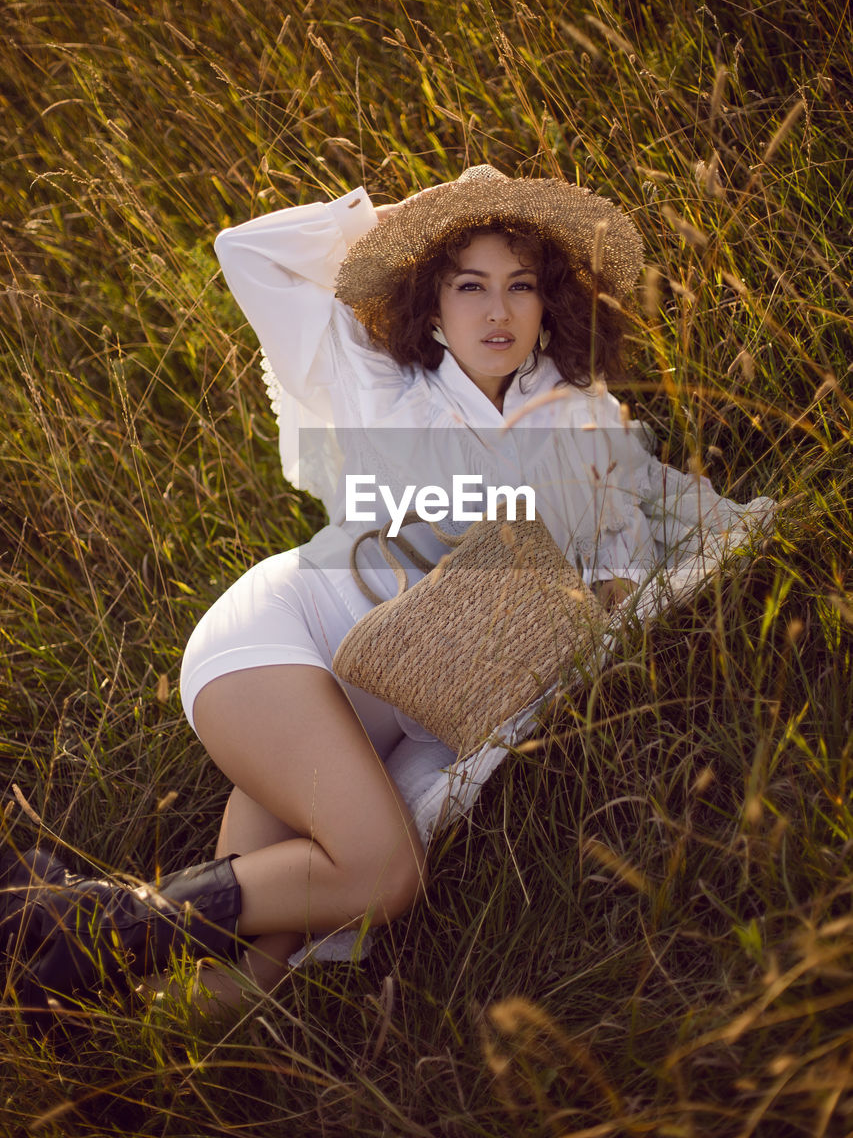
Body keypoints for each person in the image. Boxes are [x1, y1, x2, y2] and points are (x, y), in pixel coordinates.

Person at [0, 165, 772, 1021]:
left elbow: (617, 573)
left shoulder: (578, 418)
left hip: (361, 711)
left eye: (520, 287)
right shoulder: (374, 386)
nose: (495, 310)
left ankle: (56, 990)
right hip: (284, 642)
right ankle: (69, 919)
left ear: (548, 304)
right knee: (382, 873)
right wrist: (421, 218)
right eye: (467, 285)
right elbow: (246, 252)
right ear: (430, 305)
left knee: (241, 991)